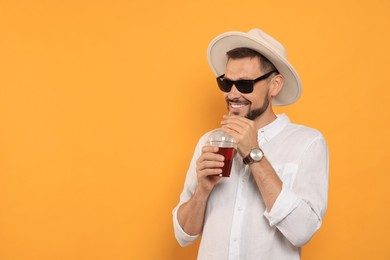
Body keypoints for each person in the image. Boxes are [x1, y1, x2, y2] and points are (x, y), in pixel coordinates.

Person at [172, 28, 329, 260]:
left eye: (245, 84)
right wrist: (202, 192)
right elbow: (184, 235)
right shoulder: (209, 141)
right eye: (226, 83)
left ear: (274, 85)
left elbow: (302, 230)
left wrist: (253, 153)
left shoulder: (307, 143)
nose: (232, 94)